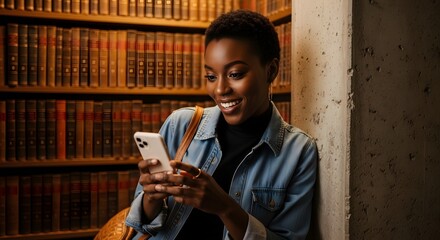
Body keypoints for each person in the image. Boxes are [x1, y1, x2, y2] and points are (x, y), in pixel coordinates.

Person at [125, 9, 318, 240]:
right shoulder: (180, 125)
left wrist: (225, 207)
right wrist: (151, 197)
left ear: (271, 70)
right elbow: (140, 227)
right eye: (211, 76)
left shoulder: (298, 152)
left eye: (235, 74)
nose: (220, 90)